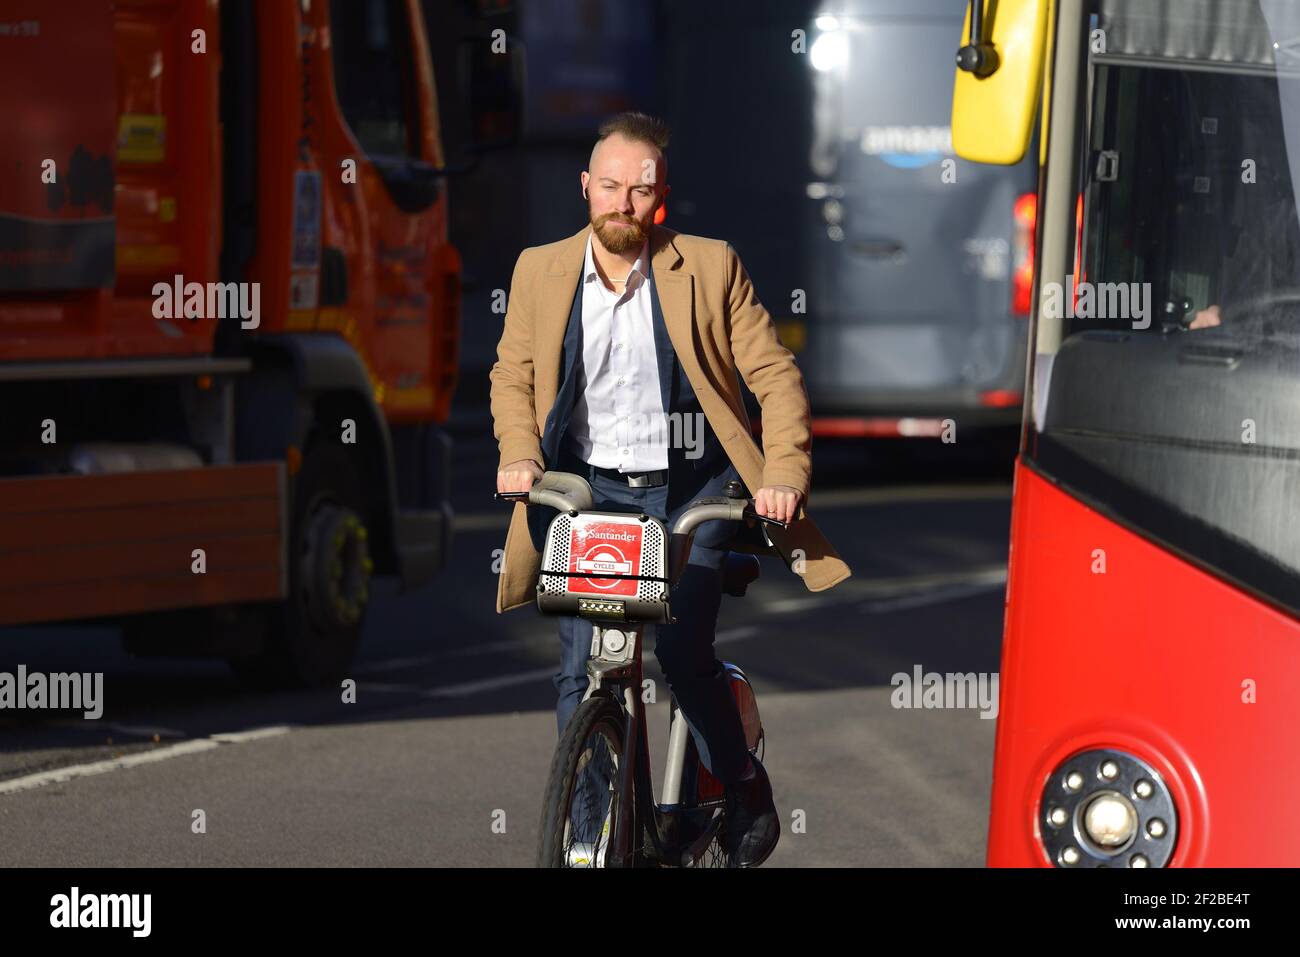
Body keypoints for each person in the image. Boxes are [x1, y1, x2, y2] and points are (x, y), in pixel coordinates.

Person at [489, 112, 851, 867]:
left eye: (640, 190)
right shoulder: (539, 270)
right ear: (586, 186)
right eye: (611, 185)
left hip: (692, 490)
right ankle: (588, 838)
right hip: (586, 494)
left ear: (661, 198)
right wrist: (520, 453)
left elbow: (774, 378)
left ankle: (744, 781)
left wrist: (782, 473)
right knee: (581, 668)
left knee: (684, 652)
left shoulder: (710, 267)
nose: (624, 202)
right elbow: (512, 375)